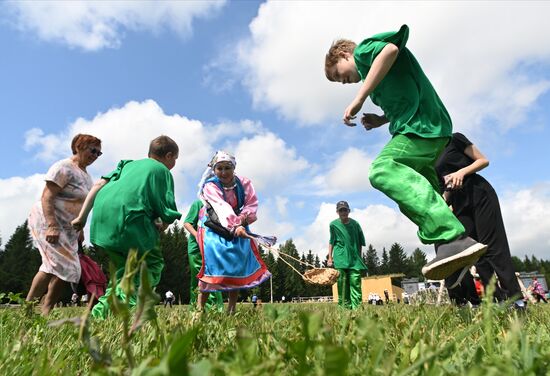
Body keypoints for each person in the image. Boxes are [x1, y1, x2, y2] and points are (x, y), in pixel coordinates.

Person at [324, 24, 487, 281]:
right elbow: (403, 99)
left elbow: (390, 49)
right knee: (414, 195)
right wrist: (381, 119)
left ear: (344, 55)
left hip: (420, 129)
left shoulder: (365, 52)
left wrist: (359, 98)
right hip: (428, 132)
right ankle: (456, 254)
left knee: (383, 170)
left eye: (339, 75)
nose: (343, 81)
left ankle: (452, 236)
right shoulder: (377, 81)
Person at [72, 135, 181, 319]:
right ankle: (129, 309)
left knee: (123, 271)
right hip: (130, 221)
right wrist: (163, 226)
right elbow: (167, 208)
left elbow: (99, 184)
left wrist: (81, 217)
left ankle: (100, 314)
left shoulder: (126, 165)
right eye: (175, 160)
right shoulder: (162, 170)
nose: (174, 164)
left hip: (103, 222)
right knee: (151, 264)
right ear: (169, 156)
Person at [435, 133, 523, 307]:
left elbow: (483, 160)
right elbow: (445, 186)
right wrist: (444, 200)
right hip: (458, 202)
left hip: (478, 192)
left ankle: (515, 300)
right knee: (474, 253)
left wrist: (462, 171)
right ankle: (495, 299)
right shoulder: (429, 156)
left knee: (494, 247)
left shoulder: (454, 139)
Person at [26, 134, 102, 315]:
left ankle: (46, 311)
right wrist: (51, 224)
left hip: (68, 228)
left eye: (99, 154)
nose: (95, 156)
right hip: (48, 221)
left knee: (69, 270)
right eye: (93, 150)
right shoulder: (63, 167)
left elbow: (81, 206)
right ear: (79, 146)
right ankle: (27, 309)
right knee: (52, 264)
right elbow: (47, 197)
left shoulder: (86, 176)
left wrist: (81, 229)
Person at [196, 151, 271, 314]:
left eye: (227, 168)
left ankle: (231, 309)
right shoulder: (210, 186)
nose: (223, 172)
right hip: (213, 226)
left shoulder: (244, 183)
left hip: (239, 223)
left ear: (234, 168)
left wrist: (243, 219)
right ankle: (199, 310)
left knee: (236, 264)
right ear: (214, 170)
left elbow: (252, 204)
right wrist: (235, 225)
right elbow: (221, 207)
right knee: (212, 265)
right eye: (219, 168)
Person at [183, 200, 224, 311]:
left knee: (214, 277)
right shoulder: (198, 204)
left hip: (213, 247)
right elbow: (187, 223)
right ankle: (198, 309)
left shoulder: (220, 204)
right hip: (197, 248)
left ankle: (215, 309)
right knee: (200, 277)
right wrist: (198, 236)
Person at [327, 201, 367, 309]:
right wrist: (330, 258)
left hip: (354, 260)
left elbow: (360, 242)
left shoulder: (355, 224)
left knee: (355, 282)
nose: (343, 212)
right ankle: (344, 308)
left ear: (349, 211)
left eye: (345, 210)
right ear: (337, 212)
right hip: (340, 259)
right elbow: (331, 241)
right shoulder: (333, 225)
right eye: (341, 210)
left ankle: (357, 308)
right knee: (342, 284)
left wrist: (359, 257)